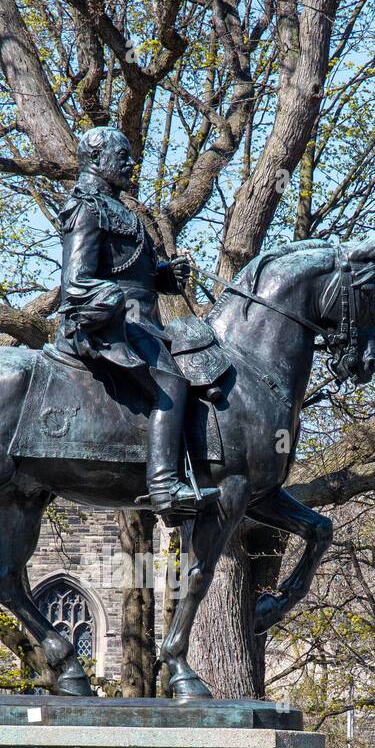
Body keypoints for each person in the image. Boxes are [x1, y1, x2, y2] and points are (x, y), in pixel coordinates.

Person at [53, 125, 218, 515]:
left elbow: (127, 271)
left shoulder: (120, 209)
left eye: (130, 155)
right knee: (172, 380)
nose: (131, 163)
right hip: (106, 325)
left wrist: (163, 276)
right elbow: (76, 280)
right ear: (95, 160)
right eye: (122, 156)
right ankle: (164, 487)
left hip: (141, 324)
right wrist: (109, 297)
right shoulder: (86, 208)